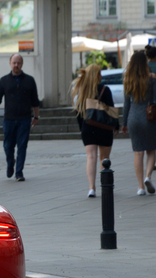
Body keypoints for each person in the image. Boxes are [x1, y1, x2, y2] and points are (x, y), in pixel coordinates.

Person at [70, 64, 117, 198]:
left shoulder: (81, 91)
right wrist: (117, 126)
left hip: (88, 127)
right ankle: (104, 186)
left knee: (91, 157)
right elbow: (111, 110)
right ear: (97, 76)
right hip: (104, 128)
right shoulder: (105, 90)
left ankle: (91, 188)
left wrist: (82, 128)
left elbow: (78, 113)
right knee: (104, 158)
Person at [0, 54, 40, 182]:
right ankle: (10, 162)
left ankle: (19, 172)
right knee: (8, 146)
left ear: (22, 64)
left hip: (24, 118)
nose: (16, 65)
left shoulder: (29, 80)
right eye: (14, 63)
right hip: (9, 119)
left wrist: (36, 116)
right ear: (10, 63)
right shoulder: (4, 80)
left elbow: (35, 101)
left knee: (22, 146)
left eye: (18, 63)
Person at [121, 51, 156, 196]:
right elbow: (154, 100)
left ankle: (140, 186)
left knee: (138, 153)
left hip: (133, 118)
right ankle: (148, 176)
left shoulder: (128, 79)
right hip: (148, 117)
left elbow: (126, 104)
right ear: (145, 62)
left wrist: (124, 123)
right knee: (152, 149)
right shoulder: (151, 79)